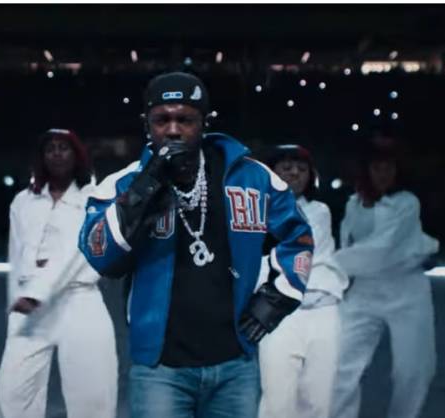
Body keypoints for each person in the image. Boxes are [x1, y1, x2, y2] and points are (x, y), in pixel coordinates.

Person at [78, 71, 315, 418]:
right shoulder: (122, 183)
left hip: (234, 366)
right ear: (147, 124)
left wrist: (277, 298)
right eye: (162, 120)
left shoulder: (252, 177)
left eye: (185, 119)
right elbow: (99, 255)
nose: (173, 130)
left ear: (204, 122)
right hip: (160, 370)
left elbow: (299, 237)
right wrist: (145, 189)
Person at [0, 129, 117, 418]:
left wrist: (36, 292)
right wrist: (17, 302)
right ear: (41, 157)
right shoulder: (23, 201)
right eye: (50, 149)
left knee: (91, 397)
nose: (57, 154)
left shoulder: (94, 198)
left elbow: (77, 248)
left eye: (64, 148)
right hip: (29, 306)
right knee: (13, 393)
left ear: (77, 155)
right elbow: (16, 255)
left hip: (79, 299)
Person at [330, 134, 439, 418]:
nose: (383, 174)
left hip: (406, 291)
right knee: (340, 364)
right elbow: (350, 245)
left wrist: (328, 264)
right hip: (364, 293)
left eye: (388, 168)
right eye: (377, 167)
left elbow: (383, 249)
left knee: (412, 369)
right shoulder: (354, 204)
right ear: (366, 170)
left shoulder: (407, 203)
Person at [257, 144, 349, 418]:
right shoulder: (254, 212)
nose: (295, 173)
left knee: (318, 402)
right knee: (277, 403)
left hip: (322, 310)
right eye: (286, 168)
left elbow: (301, 255)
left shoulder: (319, 211)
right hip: (278, 312)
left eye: (302, 168)